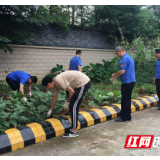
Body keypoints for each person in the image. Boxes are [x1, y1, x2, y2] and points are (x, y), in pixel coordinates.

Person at [42, 71, 91, 138]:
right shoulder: (55, 83)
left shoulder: (58, 80)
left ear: (49, 84)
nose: (48, 89)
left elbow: (72, 91)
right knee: (70, 98)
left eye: (47, 87)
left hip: (83, 83)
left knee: (74, 105)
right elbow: (55, 96)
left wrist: (67, 102)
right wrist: (51, 109)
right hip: (76, 84)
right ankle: (71, 113)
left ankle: (74, 131)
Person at [111, 47, 136, 122]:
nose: (117, 55)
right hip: (131, 81)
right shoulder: (129, 57)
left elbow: (122, 71)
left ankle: (123, 117)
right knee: (128, 99)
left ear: (120, 51)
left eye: (117, 53)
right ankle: (128, 116)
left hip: (127, 82)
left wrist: (115, 75)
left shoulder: (124, 59)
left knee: (124, 99)